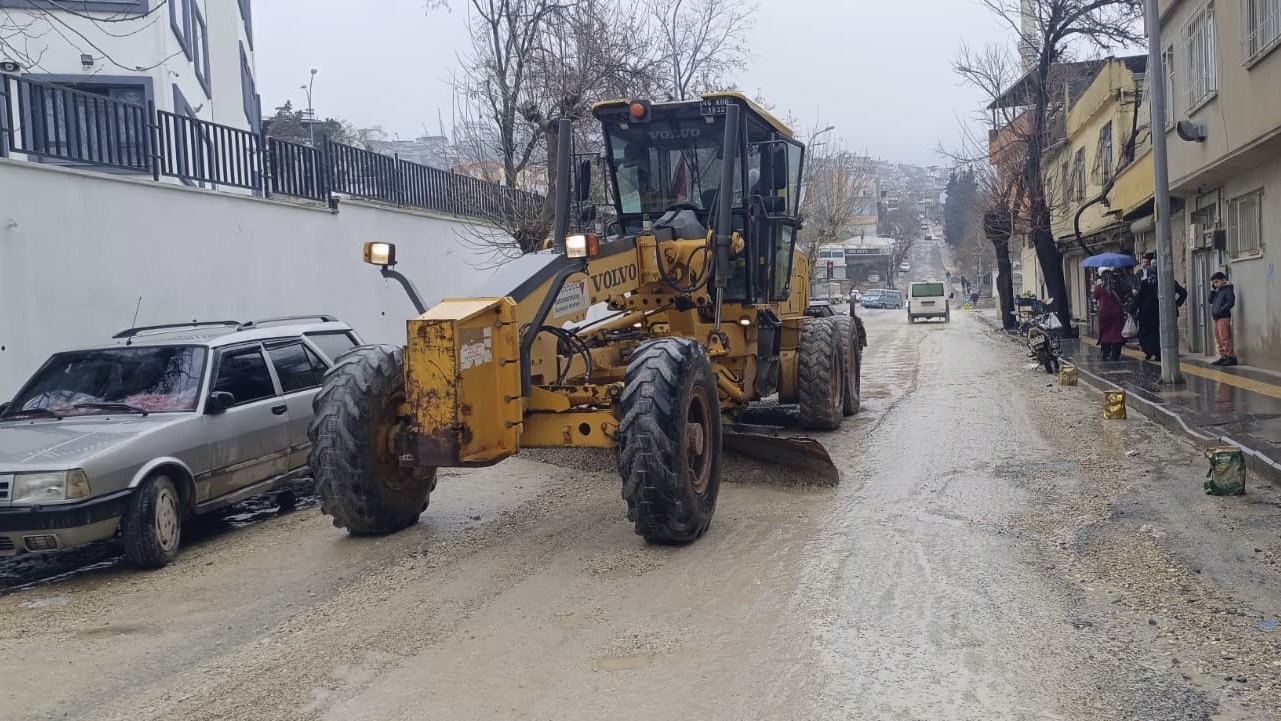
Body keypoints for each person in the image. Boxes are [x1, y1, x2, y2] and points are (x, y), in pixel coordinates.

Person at [1129, 256, 1187, 361]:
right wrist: (1176, 304)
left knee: (1147, 334)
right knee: (1161, 334)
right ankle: (1159, 352)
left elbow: (1138, 299)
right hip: (1164, 314)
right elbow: (1183, 292)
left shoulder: (1145, 284)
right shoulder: (1168, 282)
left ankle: (1150, 351)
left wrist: (1131, 310)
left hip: (1147, 315)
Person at [1093, 268, 1126, 361]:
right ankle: (1116, 353)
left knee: (1105, 332)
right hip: (1117, 313)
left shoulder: (1099, 287)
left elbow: (1095, 297)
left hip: (1104, 313)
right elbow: (1122, 295)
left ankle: (1106, 353)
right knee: (1117, 332)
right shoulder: (1117, 285)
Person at [1209, 271, 1237, 366]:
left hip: (1223, 316)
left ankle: (1230, 357)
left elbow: (1230, 302)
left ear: (1223, 280)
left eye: (1217, 281)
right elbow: (1210, 300)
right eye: (1214, 283)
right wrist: (1212, 291)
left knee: (1225, 337)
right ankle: (1223, 356)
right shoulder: (1218, 291)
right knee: (1218, 338)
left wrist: (1221, 310)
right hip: (1216, 317)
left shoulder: (1228, 289)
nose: (1215, 284)